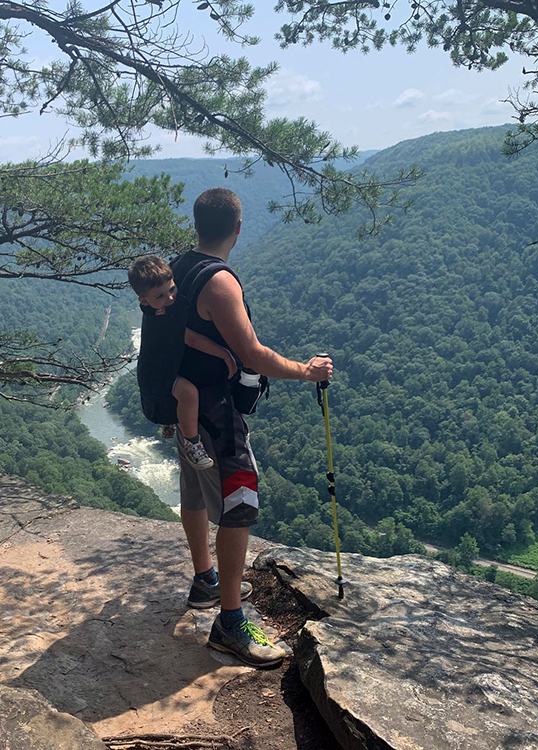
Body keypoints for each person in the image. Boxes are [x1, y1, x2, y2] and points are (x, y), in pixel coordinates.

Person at [174, 187, 333, 669]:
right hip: (218, 416)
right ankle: (229, 622)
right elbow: (253, 354)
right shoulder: (220, 282)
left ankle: (206, 580)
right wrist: (307, 371)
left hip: (187, 411)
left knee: (197, 492)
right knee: (239, 506)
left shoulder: (177, 267)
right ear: (238, 229)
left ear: (197, 224)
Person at [129, 255, 238, 470]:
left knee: (178, 395)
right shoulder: (165, 317)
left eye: (172, 289)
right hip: (156, 373)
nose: (170, 298)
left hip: (161, 366)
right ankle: (192, 443)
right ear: (143, 300)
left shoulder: (156, 307)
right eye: (160, 296)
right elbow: (192, 339)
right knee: (188, 393)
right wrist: (224, 354)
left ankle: (169, 422)